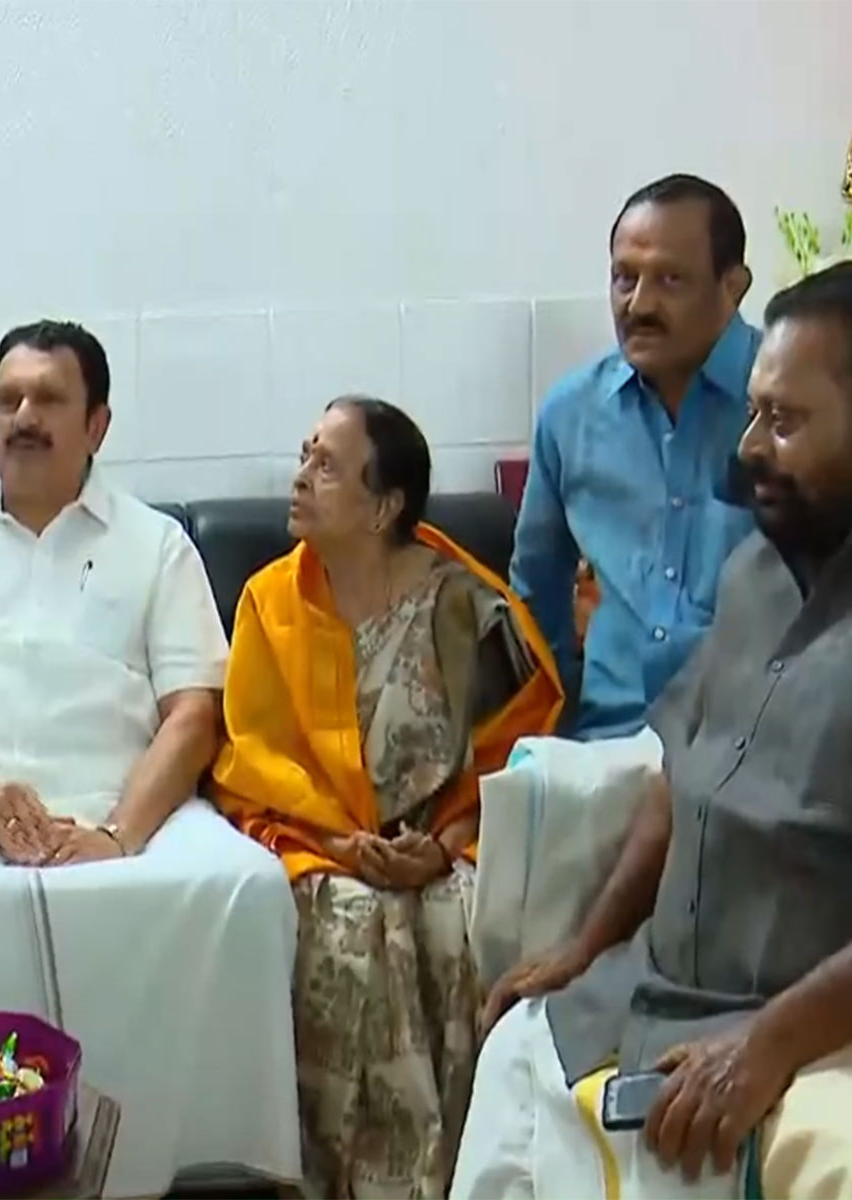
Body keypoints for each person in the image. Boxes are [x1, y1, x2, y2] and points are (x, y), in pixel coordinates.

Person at [0, 320, 301, 1197]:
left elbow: (192, 716)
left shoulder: (156, 546)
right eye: (8, 400)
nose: (24, 417)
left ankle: (213, 1163)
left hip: (129, 803)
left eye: (49, 399)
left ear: (98, 424)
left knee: (250, 889)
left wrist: (119, 831)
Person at [452, 263, 852, 1200]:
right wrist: (587, 944)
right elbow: (681, 777)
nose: (750, 449)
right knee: (514, 1047)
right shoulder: (760, 568)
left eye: (785, 424)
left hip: (782, 1019)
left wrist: (769, 1044)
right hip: (652, 988)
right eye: (754, 413)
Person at [212, 397, 563, 1197]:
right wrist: (345, 847)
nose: (300, 478)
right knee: (352, 925)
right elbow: (250, 760)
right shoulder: (272, 603)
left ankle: (474, 1174)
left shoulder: (463, 606)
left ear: (385, 506)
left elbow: (521, 757)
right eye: (305, 457)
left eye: (327, 466)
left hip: (450, 843)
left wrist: (440, 846)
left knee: (457, 918)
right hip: (320, 845)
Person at [511, 174, 760, 740]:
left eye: (671, 280)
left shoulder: (784, 405)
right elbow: (534, 598)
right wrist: (557, 730)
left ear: (734, 285)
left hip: (751, 753)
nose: (639, 304)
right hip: (607, 746)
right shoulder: (572, 414)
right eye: (625, 278)